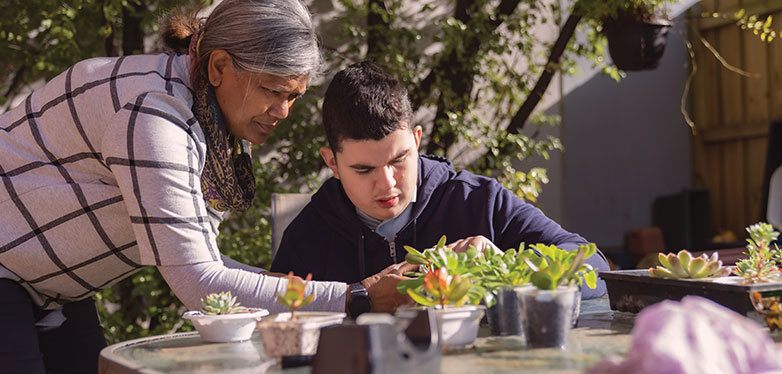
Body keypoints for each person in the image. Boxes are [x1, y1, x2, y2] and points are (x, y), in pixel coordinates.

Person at [0, 2, 410, 373]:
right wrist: (357, 297)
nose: (283, 111)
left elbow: (204, 260)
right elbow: (200, 283)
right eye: (272, 90)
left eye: (294, 96)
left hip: (53, 289)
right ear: (218, 67)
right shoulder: (155, 115)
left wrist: (333, 295)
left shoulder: (202, 110)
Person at [271, 61, 610, 300]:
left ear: (417, 140)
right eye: (364, 170)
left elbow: (591, 264)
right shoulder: (306, 237)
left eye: (399, 160)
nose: (388, 183)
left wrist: (507, 266)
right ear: (332, 162)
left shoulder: (480, 201)